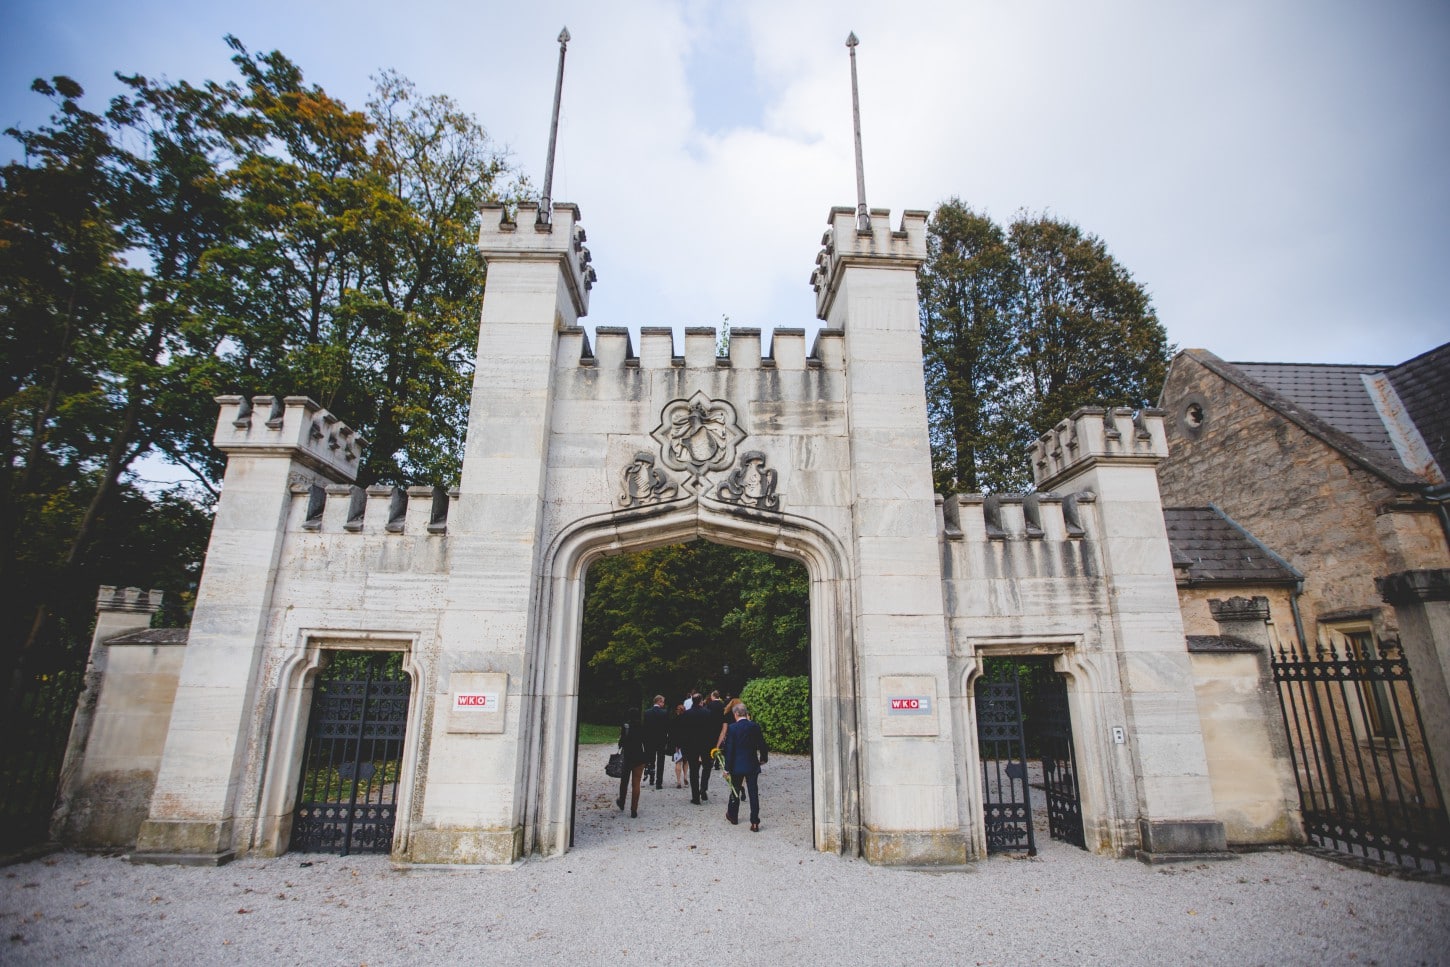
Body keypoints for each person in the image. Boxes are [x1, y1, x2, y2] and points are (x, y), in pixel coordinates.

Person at [721, 701, 768, 831]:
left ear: (736, 714)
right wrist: (763, 758)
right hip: (752, 763)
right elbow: (762, 744)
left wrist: (726, 768)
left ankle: (733, 816)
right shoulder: (754, 726)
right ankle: (754, 822)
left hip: (737, 765)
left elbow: (729, 750)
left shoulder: (732, 728)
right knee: (753, 792)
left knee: (735, 790)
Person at [681, 693, 715, 804]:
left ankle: (695, 797)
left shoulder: (687, 714)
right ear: (701, 701)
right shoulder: (708, 713)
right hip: (705, 745)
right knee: (707, 768)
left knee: (694, 771)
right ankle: (703, 788)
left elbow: (684, 732)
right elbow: (711, 731)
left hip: (692, 746)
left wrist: (684, 747)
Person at [616, 704, 648, 818]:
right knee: (636, 784)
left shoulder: (626, 726)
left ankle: (622, 801)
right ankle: (634, 809)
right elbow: (645, 743)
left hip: (628, 756)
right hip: (639, 757)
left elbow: (621, 742)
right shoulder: (642, 726)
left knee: (624, 782)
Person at [642, 694, 670, 790]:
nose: (664, 704)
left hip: (650, 739)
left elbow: (645, 728)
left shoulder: (647, 713)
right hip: (661, 739)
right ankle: (659, 782)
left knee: (651, 759)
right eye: (663, 702)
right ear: (659, 701)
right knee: (661, 760)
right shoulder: (664, 713)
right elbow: (667, 727)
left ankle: (651, 779)